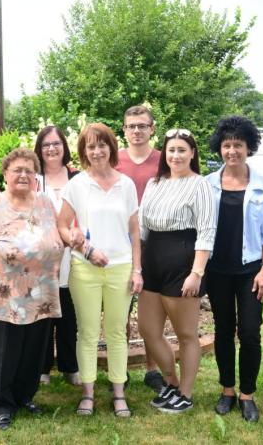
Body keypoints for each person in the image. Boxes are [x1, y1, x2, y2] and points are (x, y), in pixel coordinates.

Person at [0, 148, 64, 430]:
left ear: (36, 176)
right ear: (5, 174)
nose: (23, 175)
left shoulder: (45, 203)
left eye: (29, 171)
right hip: (3, 296)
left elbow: (58, 236)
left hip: (41, 294)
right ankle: (1, 404)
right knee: (3, 351)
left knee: (33, 349)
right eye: (17, 170)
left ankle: (24, 396)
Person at [57, 123, 143, 418]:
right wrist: (85, 249)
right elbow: (62, 225)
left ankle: (119, 392)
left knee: (118, 332)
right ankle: (88, 393)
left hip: (121, 269)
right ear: (84, 151)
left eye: (102, 145)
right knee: (88, 332)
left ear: (111, 147)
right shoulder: (76, 184)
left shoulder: (126, 184)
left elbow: (134, 231)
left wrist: (137, 270)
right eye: (90, 146)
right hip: (85, 269)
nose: (97, 151)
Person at [204, 116, 263, 422]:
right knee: (223, 330)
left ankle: (247, 394)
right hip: (217, 270)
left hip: (250, 270)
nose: (232, 151)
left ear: (249, 148)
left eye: (238, 145)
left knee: (249, 332)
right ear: (219, 148)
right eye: (226, 145)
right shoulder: (207, 184)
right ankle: (227, 390)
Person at [137, 128, 216, 414]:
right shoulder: (154, 183)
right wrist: (137, 264)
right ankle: (170, 382)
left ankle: (185, 392)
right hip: (152, 260)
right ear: (164, 154)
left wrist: (196, 273)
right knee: (148, 328)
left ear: (192, 153)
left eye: (182, 150)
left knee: (186, 333)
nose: (176, 155)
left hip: (183, 261)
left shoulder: (200, 185)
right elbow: (142, 228)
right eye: (171, 150)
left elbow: (207, 231)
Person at [116, 105, 166, 392]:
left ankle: (152, 369)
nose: (136, 130)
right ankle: (119, 368)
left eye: (142, 125)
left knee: (150, 313)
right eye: (131, 126)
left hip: (154, 245)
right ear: (124, 129)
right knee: (119, 311)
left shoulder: (164, 161)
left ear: (152, 129)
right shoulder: (114, 160)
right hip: (119, 246)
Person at [33, 126, 82, 387]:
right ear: (39, 150)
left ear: (64, 146)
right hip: (41, 256)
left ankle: (70, 365)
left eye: (56, 144)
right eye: (46, 145)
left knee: (68, 311)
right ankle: (42, 367)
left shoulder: (77, 178)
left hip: (72, 252)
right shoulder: (33, 178)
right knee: (44, 312)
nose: (51, 149)